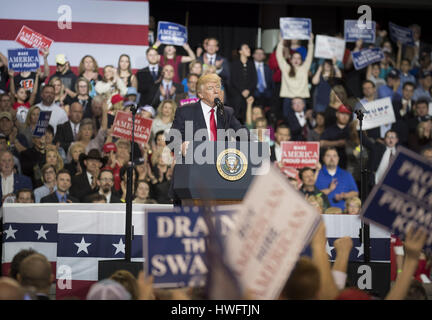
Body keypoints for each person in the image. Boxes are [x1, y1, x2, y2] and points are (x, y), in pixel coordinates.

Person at [276, 33, 314, 119]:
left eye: (299, 58)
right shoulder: (286, 68)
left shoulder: (304, 68)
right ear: (291, 60)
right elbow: (279, 56)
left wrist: (311, 42)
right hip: (288, 99)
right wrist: (281, 41)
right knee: (287, 120)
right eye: (294, 58)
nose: (296, 60)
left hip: (301, 99)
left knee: (301, 122)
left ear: (301, 61)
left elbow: (309, 56)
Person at [230, 43, 257, 123]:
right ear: (240, 51)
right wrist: (242, 90)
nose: (248, 50)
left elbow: (254, 79)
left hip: (249, 93)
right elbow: (233, 80)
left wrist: (248, 90)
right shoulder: (234, 64)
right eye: (246, 48)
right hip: (237, 93)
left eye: (249, 48)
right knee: (237, 111)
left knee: (248, 114)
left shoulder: (251, 64)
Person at [320, 105, 352, 169]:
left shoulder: (353, 130)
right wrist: (337, 143)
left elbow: (360, 146)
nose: (345, 116)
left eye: (347, 114)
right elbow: (321, 143)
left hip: (351, 162)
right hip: (332, 163)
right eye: (342, 113)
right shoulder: (330, 129)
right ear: (337, 114)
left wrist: (354, 150)